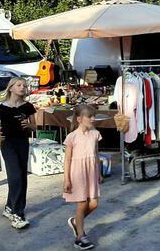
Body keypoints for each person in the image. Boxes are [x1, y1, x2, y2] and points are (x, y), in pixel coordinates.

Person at [0, 77, 36, 229]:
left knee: (21, 177)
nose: (23, 87)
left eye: (24, 85)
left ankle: (10, 207)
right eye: (19, 85)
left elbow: (35, 128)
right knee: (15, 175)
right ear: (11, 88)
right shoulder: (1, 108)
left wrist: (29, 125)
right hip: (8, 144)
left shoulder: (28, 107)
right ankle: (18, 214)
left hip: (23, 143)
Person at [63, 104, 103, 250]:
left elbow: (96, 154)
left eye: (94, 116)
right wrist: (66, 179)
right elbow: (67, 159)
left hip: (91, 172)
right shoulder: (71, 137)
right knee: (82, 204)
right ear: (79, 119)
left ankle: (75, 221)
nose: (93, 119)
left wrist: (98, 173)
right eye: (89, 116)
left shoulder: (95, 134)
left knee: (93, 204)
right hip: (77, 173)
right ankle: (80, 237)